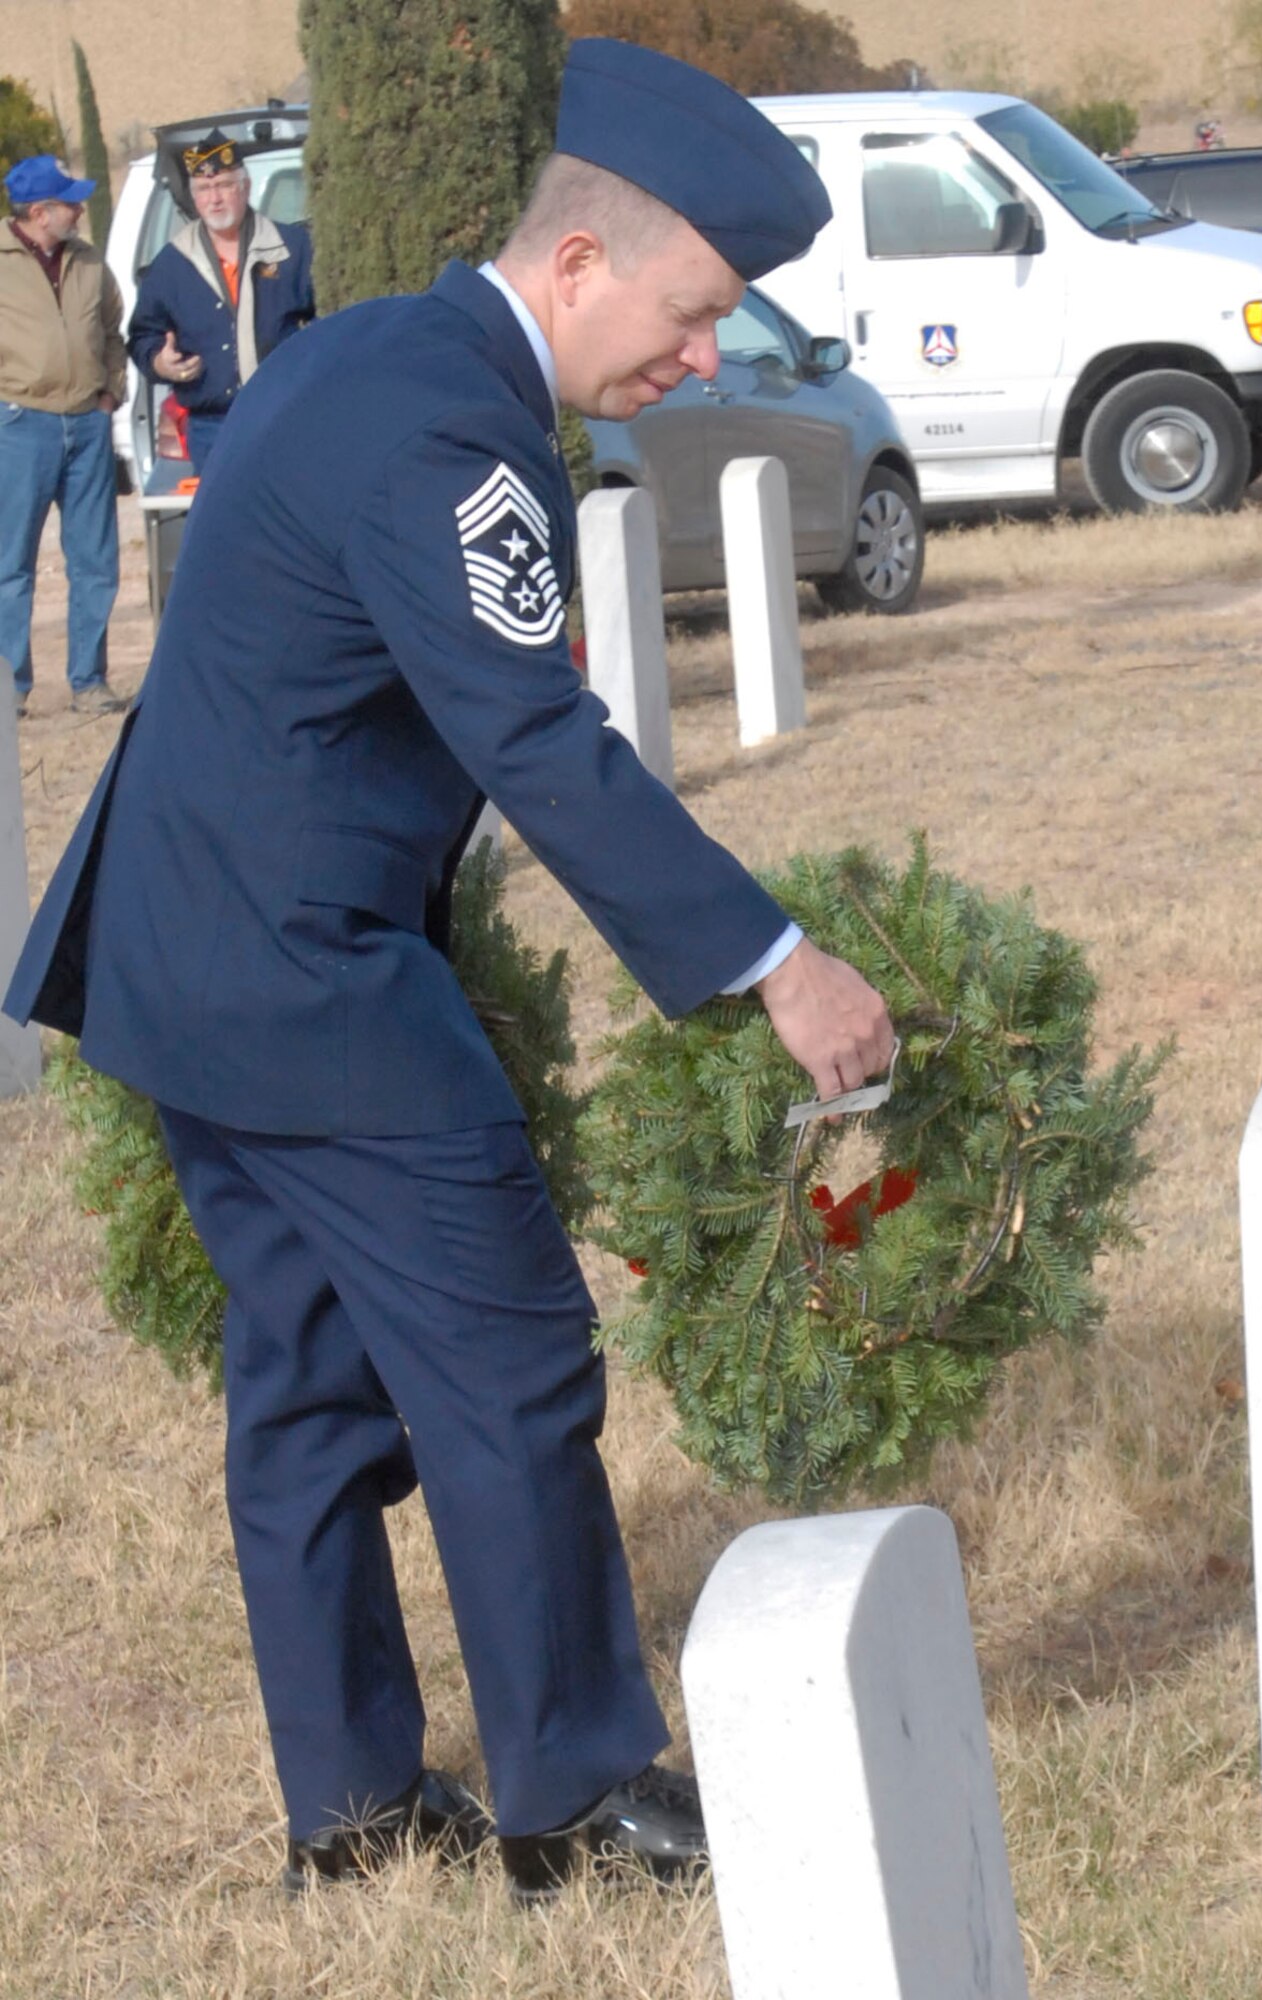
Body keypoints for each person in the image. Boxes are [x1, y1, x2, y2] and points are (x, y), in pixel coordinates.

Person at [4, 40, 894, 1904]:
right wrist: (775, 964)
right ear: (580, 267)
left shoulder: (365, 349)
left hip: (183, 957)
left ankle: (350, 1805)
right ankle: (571, 1788)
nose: (702, 357)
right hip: (306, 981)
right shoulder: (446, 427)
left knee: (313, 1387)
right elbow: (536, 737)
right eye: (691, 310)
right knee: (507, 1368)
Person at [0, 155, 128, 719]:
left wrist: (109, 395)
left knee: (95, 560)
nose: (80, 208)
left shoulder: (90, 260)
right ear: (37, 212)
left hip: (87, 423)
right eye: (68, 201)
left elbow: (112, 331)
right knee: (11, 563)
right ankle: (11, 687)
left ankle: (90, 681)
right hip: (19, 425)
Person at [126, 130, 314, 472]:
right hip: (211, 428)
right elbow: (142, 335)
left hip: (284, 416)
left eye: (224, 185)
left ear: (245, 187)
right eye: (203, 189)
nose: (214, 199)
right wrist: (159, 362)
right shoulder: (172, 263)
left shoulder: (292, 248)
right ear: (193, 197)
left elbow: (328, 322)